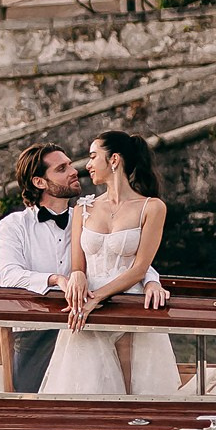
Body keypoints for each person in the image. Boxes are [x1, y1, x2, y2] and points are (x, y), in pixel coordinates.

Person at [0, 142, 166, 392]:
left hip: (86, 322)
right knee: (35, 410)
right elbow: (8, 274)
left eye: (70, 164)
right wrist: (57, 280)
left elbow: (124, 256)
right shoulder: (14, 225)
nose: (74, 171)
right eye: (62, 169)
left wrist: (152, 280)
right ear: (40, 182)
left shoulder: (87, 214)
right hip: (36, 331)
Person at [39, 132, 178, 396]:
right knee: (86, 386)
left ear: (114, 159)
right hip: (85, 306)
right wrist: (78, 277)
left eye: (93, 157)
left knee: (131, 388)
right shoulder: (83, 208)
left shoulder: (152, 207)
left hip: (128, 302)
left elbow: (139, 267)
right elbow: (77, 264)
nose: (87, 165)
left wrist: (99, 297)